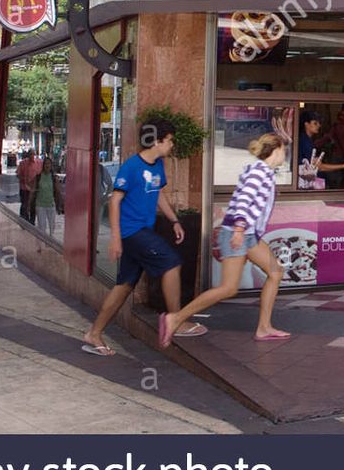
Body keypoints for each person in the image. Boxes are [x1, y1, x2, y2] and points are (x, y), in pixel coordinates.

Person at [81, 118, 203, 356]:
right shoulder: (132, 167)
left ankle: (94, 333)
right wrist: (116, 238)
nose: (171, 146)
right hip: (131, 232)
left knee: (124, 287)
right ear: (157, 141)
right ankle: (175, 320)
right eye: (169, 141)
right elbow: (114, 201)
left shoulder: (157, 165)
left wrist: (174, 220)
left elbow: (158, 194)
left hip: (141, 232)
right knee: (171, 263)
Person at [160, 134, 289, 346]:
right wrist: (239, 229)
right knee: (229, 288)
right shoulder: (259, 172)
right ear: (275, 151)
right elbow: (244, 200)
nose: (285, 153)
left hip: (248, 235)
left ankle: (264, 328)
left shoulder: (263, 171)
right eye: (283, 149)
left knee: (275, 272)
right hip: (238, 233)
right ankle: (176, 318)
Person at [296, 110, 344, 188]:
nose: (319, 125)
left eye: (319, 123)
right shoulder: (305, 142)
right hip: (306, 183)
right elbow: (320, 167)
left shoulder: (306, 140)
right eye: (315, 123)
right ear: (306, 124)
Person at [34, 154, 63, 238]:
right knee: (41, 227)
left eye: (49, 164)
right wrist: (29, 204)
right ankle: (42, 244)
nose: (47, 165)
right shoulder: (39, 177)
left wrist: (59, 204)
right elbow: (33, 190)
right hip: (40, 205)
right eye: (46, 164)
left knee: (52, 227)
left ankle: (50, 243)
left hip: (51, 205)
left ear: (51, 166)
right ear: (43, 166)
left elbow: (58, 192)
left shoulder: (54, 178)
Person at [16, 151, 41, 223]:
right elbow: (18, 174)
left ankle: (32, 222)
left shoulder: (38, 163)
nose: (32, 156)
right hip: (24, 188)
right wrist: (23, 179)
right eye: (31, 154)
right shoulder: (23, 163)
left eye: (33, 154)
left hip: (34, 189)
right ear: (28, 155)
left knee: (33, 205)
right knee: (24, 204)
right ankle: (24, 220)